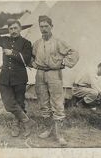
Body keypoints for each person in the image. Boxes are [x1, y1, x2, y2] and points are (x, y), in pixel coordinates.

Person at [31, 15, 79, 146]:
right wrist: (33, 63)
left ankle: (59, 134)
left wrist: (63, 62)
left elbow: (73, 53)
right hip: (40, 74)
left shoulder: (58, 42)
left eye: (46, 26)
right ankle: (48, 129)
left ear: (51, 27)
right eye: (41, 26)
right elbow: (31, 56)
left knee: (57, 103)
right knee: (43, 103)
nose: (44, 29)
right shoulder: (37, 43)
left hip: (54, 74)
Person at [0, 19, 36, 137]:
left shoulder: (26, 43)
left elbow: (27, 60)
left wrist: (12, 52)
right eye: (11, 29)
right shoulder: (4, 40)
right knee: (8, 103)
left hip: (20, 77)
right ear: (8, 30)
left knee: (19, 103)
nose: (13, 31)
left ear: (20, 28)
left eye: (15, 28)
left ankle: (17, 126)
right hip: (5, 77)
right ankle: (28, 122)